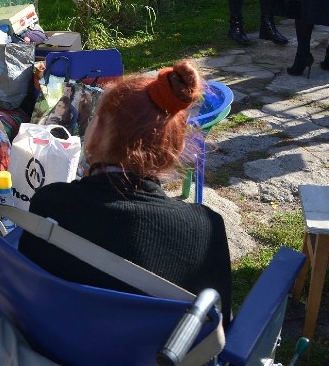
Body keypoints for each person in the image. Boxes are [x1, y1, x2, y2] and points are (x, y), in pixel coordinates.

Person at [19, 61, 232, 325]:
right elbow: (218, 326)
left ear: (96, 135)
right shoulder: (205, 231)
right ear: (172, 150)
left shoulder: (50, 205)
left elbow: (28, 299)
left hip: (53, 350)